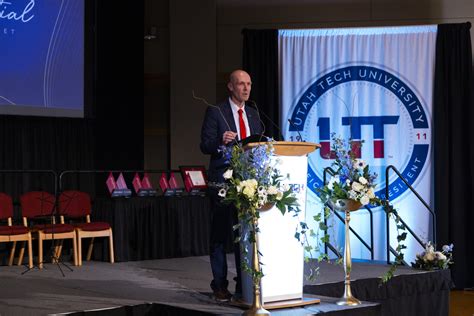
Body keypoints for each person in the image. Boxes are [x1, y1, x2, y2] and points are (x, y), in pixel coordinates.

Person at [200, 69, 263, 301]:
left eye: (248, 84)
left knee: (243, 235)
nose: (245, 88)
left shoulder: (254, 114)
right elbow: (205, 145)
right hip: (222, 183)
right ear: (230, 87)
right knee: (219, 235)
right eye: (240, 84)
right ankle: (219, 284)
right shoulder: (216, 111)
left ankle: (242, 284)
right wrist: (220, 141)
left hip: (248, 182)